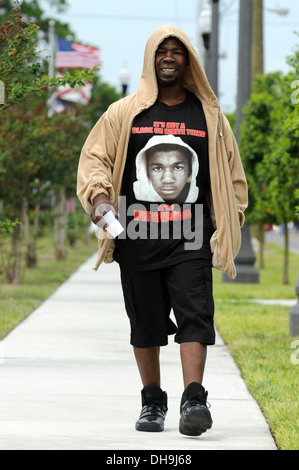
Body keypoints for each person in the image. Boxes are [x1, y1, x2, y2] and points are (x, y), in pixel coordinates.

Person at [77, 25, 248, 436]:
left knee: (196, 315)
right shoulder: (125, 113)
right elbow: (95, 159)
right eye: (161, 51)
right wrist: (99, 198)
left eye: (176, 51)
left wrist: (230, 219)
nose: (168, 57)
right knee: (146, 323)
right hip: (135, 239)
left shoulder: (208, 116)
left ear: (188, 60)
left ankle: (194, 399)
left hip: (192, 238)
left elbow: (231, 173)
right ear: (151, 59)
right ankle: (152, 402)